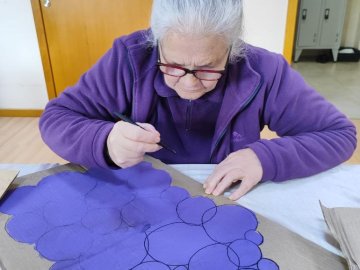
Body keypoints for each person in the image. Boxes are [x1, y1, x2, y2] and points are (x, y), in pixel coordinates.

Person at [39, 0, 357, 200]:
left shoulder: (264, 69)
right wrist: (105, 141)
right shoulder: (129, 57)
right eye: (174, 67)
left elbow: (340, 134)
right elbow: (57, 117)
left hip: (224, 202)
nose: (190, 83)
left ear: (232, 50)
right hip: (138, 200)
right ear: (155, 41)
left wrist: (266, 158)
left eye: (208, 69)